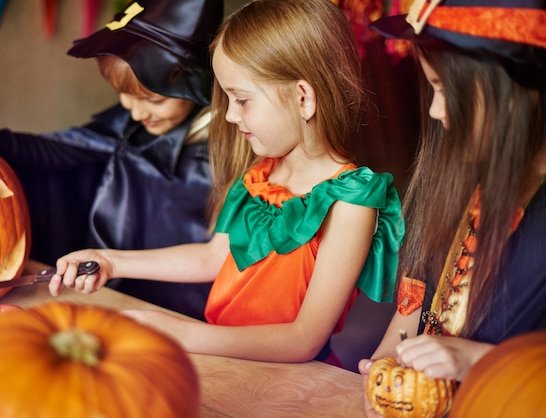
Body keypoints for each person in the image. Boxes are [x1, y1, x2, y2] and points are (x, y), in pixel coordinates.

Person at [48, 0, 404, 365]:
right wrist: (110, 261)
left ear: (303, 98)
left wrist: (178, 331)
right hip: (221, 361)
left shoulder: (351, 201)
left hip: (288, 383)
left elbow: (302, 341)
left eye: (242, 100)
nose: (231, 115)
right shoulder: (260, 175)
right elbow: (212, 257)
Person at [0, 0, 224, 320]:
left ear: (200, 83)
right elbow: (54, 150)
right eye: (125, 95)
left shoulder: (228, 152)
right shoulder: (125, 128)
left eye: (153, 99)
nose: (136, 112)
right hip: (111, 295)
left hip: (189, 311)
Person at [359, 0, 546, 413]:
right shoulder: (456, 181)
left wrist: (478, 360)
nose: (434, 110)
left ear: (513, 90)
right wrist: (385, 369)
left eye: (444, 90)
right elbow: (409, 320)